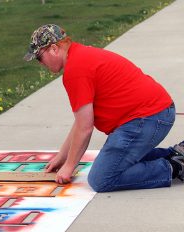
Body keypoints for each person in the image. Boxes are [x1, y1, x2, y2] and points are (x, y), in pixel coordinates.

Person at [23, 24, 184, 192]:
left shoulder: (75, 70)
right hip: (153, 114)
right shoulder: (79, 56)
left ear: (54, 49)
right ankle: (175, 154)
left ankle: (175, 166)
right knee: (114, 164)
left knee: (102, 179)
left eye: (39, 57)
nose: (40, 63)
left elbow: (85, 128)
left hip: (146, 118)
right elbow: (81, 122)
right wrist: (62, 157)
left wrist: (69, 167)